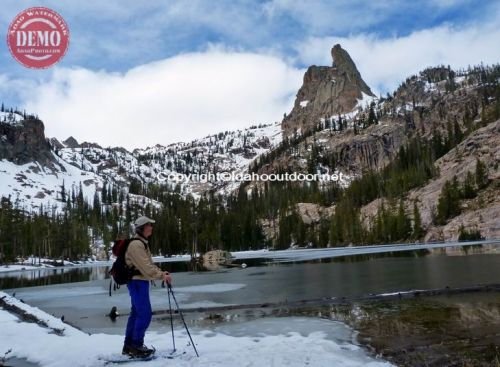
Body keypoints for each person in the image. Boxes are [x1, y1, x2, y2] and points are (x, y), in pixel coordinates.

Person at [122, 216, 172, 357]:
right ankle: (136, 346)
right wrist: (162, 275)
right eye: (149, 225)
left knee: (136, 314)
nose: (151, 227)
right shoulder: (136, 245)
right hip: (137, 282)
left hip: (139, 282)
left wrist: (162, 272)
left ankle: (129, 346)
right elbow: (146, 268)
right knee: (144, 314)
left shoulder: (141, 243)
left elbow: (148, 265)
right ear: (142, 228)